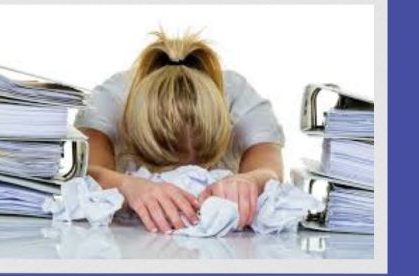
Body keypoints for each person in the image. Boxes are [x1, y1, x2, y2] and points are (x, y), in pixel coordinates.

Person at [75, 31, 285, 234]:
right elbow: (84, 172)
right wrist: (126, 185)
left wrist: (249, 181)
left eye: (203, 165)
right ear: (135, 139)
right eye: (165, 170)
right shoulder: (110, 102)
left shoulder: (240, 100)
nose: (184, 179)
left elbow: (270, 172)